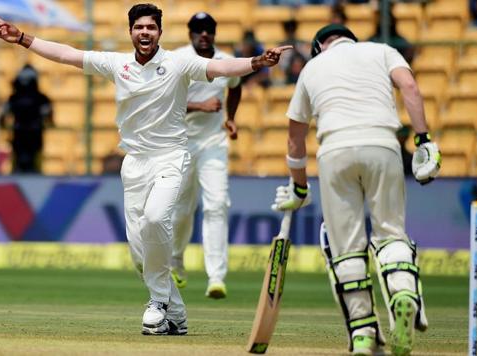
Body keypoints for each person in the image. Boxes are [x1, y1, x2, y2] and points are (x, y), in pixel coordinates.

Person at [0, 3, 290, 336]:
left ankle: (158, 304)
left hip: (171, 157)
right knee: (138, 252)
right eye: (138, 27)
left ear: (160, 32)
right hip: (133, 162)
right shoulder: (117, 64)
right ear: (130, 31)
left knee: (156, 219)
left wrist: (257, 62)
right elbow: (66, 54)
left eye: (150, 27)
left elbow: (221, 68)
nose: (144, 32)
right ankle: (176, 314)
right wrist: (21, 39)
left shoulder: (179, 62)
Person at [271, 24, 440, 355]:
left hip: (335, 149)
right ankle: (404, 294)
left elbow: (294, 136)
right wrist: (423, 140)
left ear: (320, 46)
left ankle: (363, 332)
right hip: (383, 143)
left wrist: (299, 188)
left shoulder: (311, 67)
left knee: (346, 247)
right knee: (391, 233)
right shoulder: (380, 50)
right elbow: (410, 87)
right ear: (352, 40)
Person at [170, 12, 242, 299]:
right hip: (180, 143)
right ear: (190, 34)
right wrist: (200, 105)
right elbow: (163, 102)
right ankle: (175, 260)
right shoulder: (177, 60)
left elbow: (236, 87)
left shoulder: (225, 61)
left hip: (214, 142)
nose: (204, 34)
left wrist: (231, 116)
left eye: (208, 30)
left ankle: (216, 277)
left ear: (214, 33)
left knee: (217, 205)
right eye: (198, 30)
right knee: (181, 209)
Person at [0, 64, 53, 173]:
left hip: (21, 134)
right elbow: (49, 117)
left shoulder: (14, 98)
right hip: (33, 135)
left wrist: (4, 125)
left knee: (20, 165)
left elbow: (2, 116)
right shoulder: (41, 98)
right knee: (32, 166)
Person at [279, 19, 310, 84]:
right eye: (288, 30)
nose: (290, 33)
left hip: (303, 75)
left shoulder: (302, 44)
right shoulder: (281, 47)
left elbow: (308, 59)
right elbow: (282, 65)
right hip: (289, 76)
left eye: (292, 30)